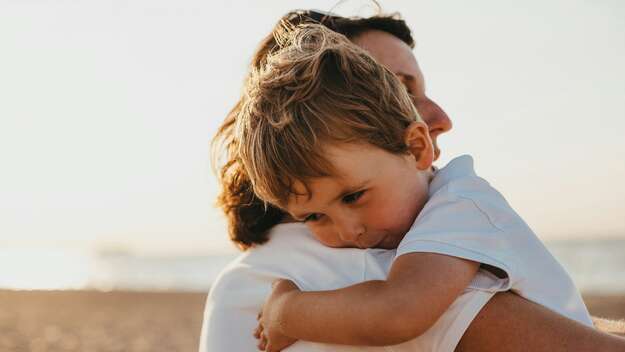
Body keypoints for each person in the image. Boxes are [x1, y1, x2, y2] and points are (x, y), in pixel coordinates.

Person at [200, 10, 625, 352]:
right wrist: (286, 309)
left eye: (353, 196)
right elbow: (398, 310)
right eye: (398, 90)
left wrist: (287, 311)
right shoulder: (346, 266)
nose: (441, 117)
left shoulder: (451, 208)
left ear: (415, 147)